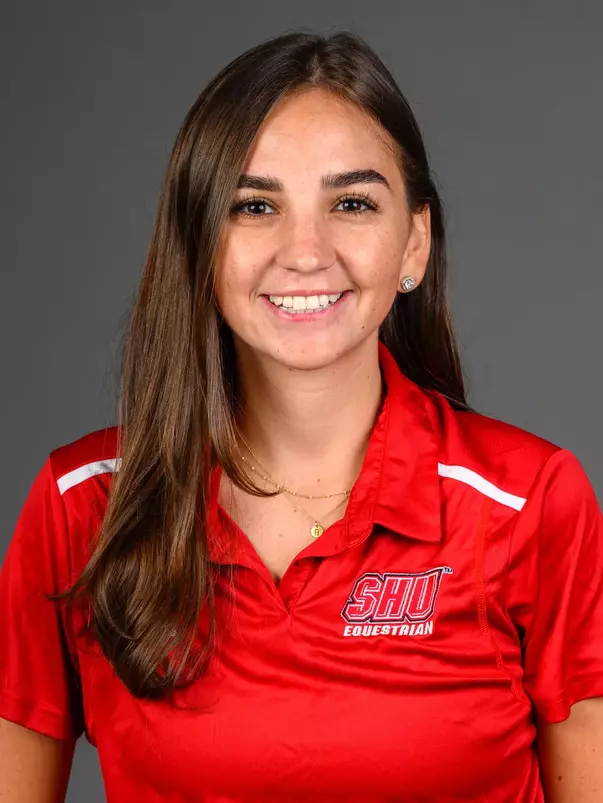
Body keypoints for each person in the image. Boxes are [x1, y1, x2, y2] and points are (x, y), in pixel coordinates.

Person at [1, 28, 602, 803]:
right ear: (199, 242)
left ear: (413, 243)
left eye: (351, 203)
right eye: (254, 206)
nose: (305, 251)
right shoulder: (85, 504)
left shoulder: (527, 502)